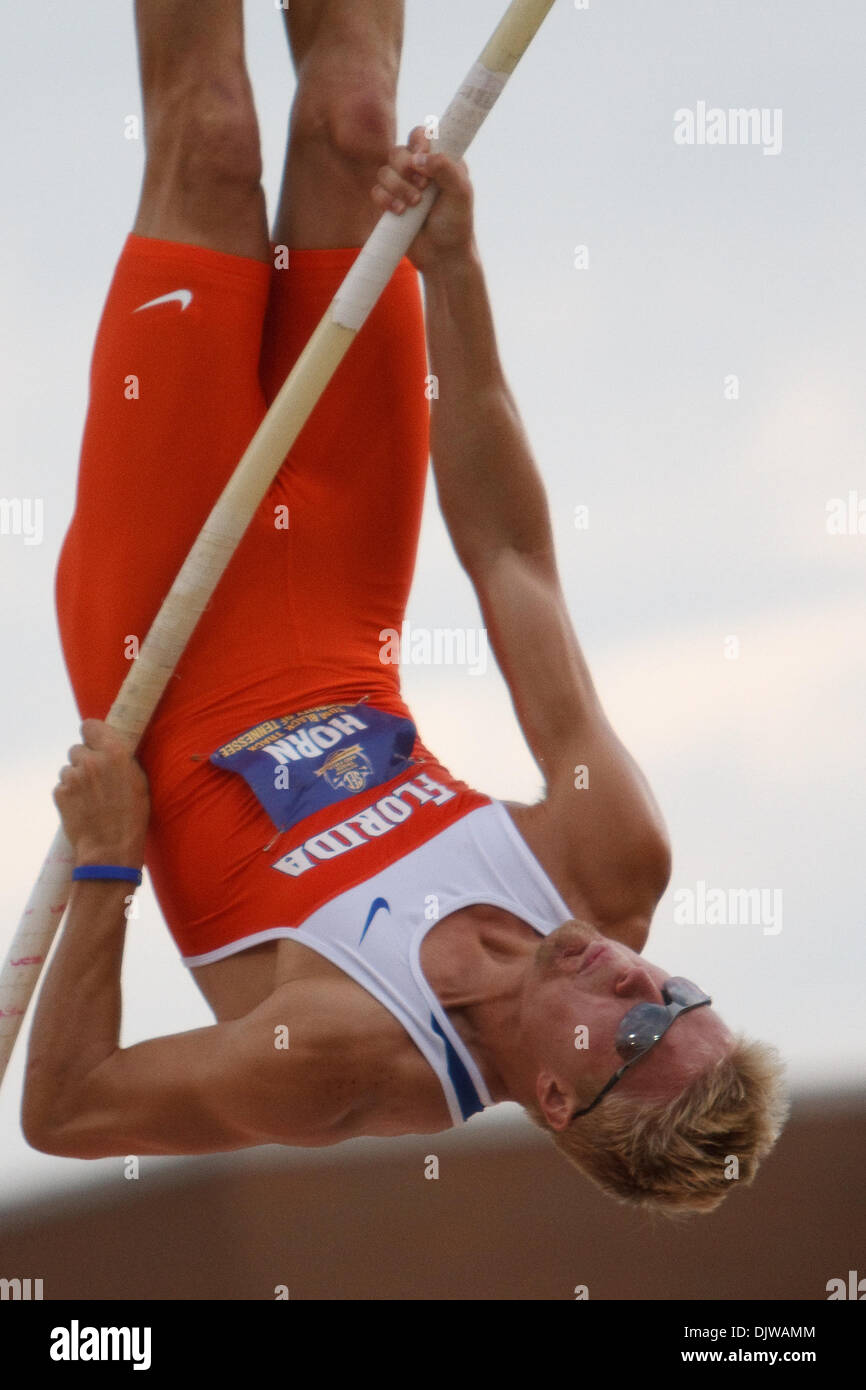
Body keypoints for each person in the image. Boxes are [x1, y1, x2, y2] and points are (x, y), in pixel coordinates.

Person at [22, 0, 787, 1213]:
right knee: (355, 126)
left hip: (162, 630)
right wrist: (457, 274)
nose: (638, 983)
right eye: (676, 996)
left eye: (633, 1036)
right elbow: (511, 561)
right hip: (339, 579)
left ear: (553, 1101)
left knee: (212, 141)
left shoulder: (343, 1060)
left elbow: (66, 1109)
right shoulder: (606, 858)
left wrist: (112, 866)